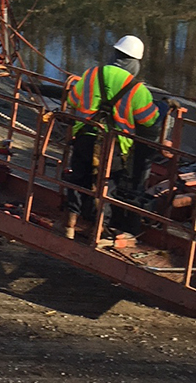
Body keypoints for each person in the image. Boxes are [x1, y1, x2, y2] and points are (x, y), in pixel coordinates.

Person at [60, 35, 161, 239]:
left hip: (85, 136)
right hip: (113, 147)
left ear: (114, 55)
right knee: (106, 186)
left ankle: (70, 223)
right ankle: (98, 229)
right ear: (135, 63)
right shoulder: (137, 89)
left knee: (78, 179)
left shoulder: (91, 74)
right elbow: (149, 120)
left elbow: (73, 99)